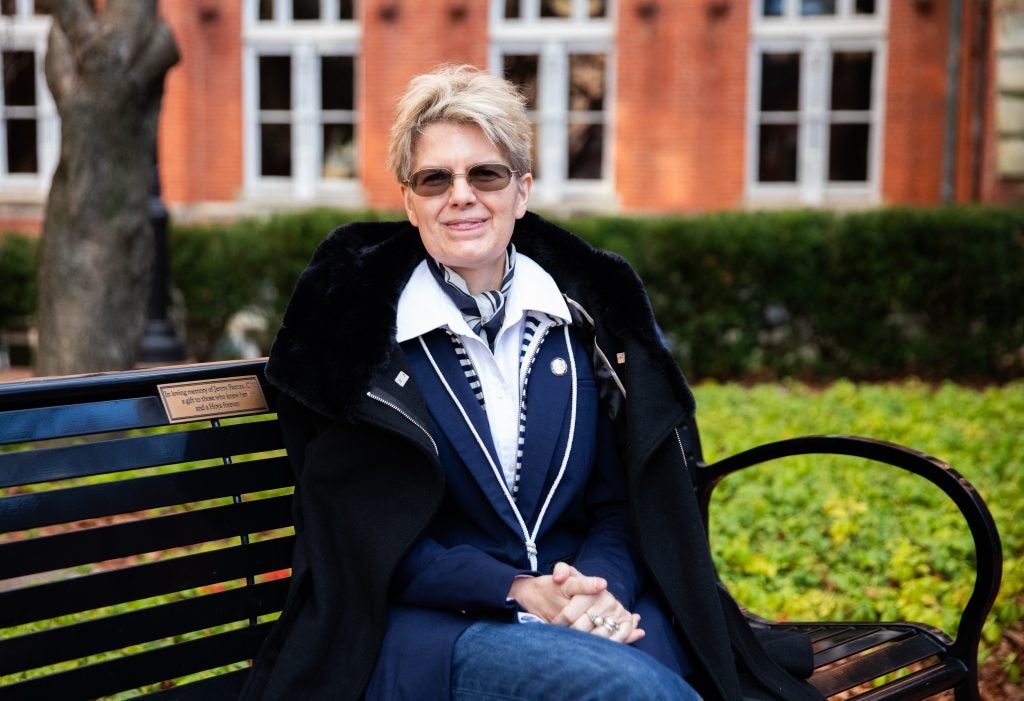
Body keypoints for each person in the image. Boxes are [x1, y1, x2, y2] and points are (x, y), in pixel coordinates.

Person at [240, 65, 822, 701]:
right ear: (411, 203)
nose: (461, 195)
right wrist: (516, 589)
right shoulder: (360, 341)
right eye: (435, 179)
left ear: (521, 191)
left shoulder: (584, 325)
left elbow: (620, 504)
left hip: (591, 602)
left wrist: (596, 591)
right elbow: (364, 535)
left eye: (484, 174)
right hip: (435, 627)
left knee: (669, 673)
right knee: (627, 691)